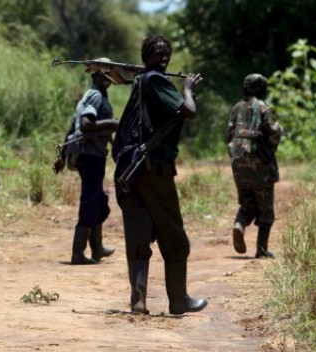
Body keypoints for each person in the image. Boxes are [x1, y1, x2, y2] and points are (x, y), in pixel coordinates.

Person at [111, 34, 207, 315]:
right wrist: (187, 88)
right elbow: (188, 110)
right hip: (153, 170)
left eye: (166, 52)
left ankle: (138, 303)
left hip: (130, 171)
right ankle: (178, 301)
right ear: (146, 56)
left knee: (138, 235)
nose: (163, 57)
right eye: (156, 52)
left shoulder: (141, 82)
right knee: (174, 236)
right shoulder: (156, 81)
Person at [53, 58, 118, 265]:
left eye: (109, 74)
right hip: (90, 155)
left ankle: (97, 249)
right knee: (91, 199)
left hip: (91, 154)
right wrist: (116, 124)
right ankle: (78, 253)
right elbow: (85, 124)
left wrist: (62, 155)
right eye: (103, 74)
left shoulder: (95, 95)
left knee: (98, 199)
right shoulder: (95, 95)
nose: (107, 78)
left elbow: (72, 126)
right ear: (95, 75)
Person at [227, 73, 283, 258]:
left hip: (239, 165)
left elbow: (229, 136)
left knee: (247, 204)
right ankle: (261, 249)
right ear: (259, 89)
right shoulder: (262, 107)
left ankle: (239, 225)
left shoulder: (236, 108)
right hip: (260, 167)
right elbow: (274, 133)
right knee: (266, 210)